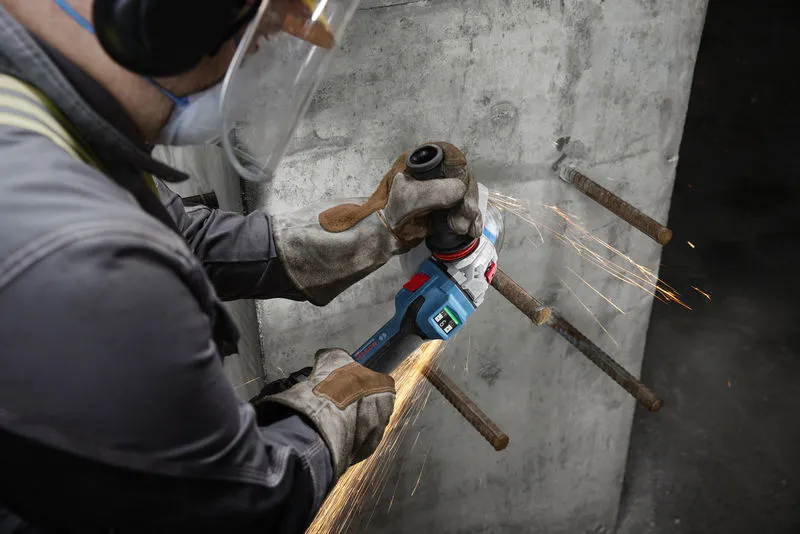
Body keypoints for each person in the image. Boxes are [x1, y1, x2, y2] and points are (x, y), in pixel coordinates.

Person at [0, 0, 482, 532]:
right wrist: (327, 419)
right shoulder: (79, 254)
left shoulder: (39, 115)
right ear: (160, 20)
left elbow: (182, 234)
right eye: (254, 43)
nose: (245, 75)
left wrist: (377, 230)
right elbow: (229, 512)